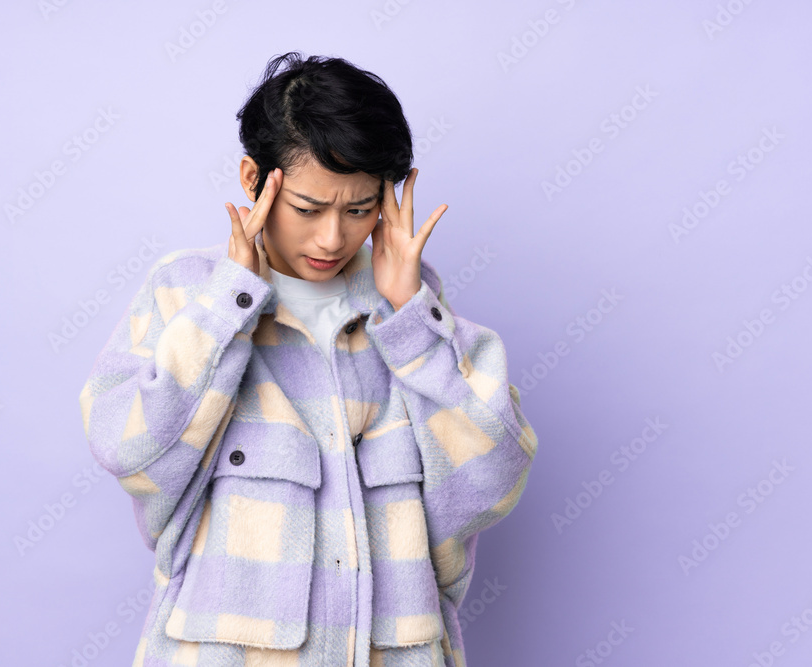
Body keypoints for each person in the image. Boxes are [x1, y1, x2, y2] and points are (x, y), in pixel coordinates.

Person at [78, 51, 538, 667]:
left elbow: (493, 479)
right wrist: (229, 306)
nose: (332, 238)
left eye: (359, 210)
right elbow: (127, 448)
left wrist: (411, 318)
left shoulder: (409, 305)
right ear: (253, 180)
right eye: (308, 208)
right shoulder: (188, 292)